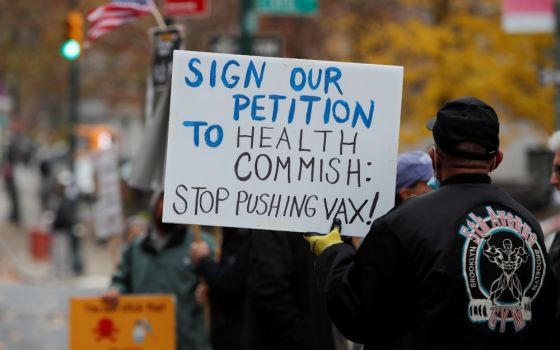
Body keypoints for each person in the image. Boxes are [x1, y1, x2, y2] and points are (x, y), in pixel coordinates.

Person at [305, 96, 558, 349]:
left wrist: (332, 253)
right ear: (496, 159)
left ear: (434, 158)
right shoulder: (529, 225)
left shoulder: (404, 223)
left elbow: (359, 315)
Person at [102, 191, 216, 350]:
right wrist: (115, 290)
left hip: (188, 340)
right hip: (145, 340)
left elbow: (218, 282)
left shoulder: (201, 245)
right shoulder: (136, 248)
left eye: (171, 202)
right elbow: (121, 280)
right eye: (162, 202)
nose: (165, 207)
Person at [248, 229, 341, 350]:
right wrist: (301, 339)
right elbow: (270, 289)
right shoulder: (273, 224)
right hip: (296, 337)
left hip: (308, 331)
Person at [190, 226, 252, 350]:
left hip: (241, 336)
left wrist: (204, 260)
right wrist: (213, 295)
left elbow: (230, 282)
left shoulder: (249, 238)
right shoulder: (232, 236)